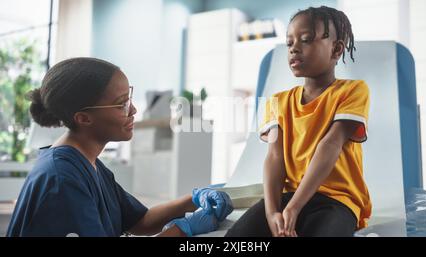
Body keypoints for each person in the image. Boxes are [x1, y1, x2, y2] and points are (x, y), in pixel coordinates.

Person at [7, 57, 233, 237]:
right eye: (121, 104)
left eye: (129, 98)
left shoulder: (88, 163)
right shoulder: (62, 179)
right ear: (84, 118)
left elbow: (141, 222)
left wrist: (194, 199)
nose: (133, 110)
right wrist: (183, 231)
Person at [225, 6, 371, 237]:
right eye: (289, 42)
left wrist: (294, 207)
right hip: (288, 197)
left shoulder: (353, 91)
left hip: (337, 201)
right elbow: (275, 157)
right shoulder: (277, 101)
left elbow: (330, 145)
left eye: (305, 40)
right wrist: (273, 213)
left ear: (336, 49)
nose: (294, 48)